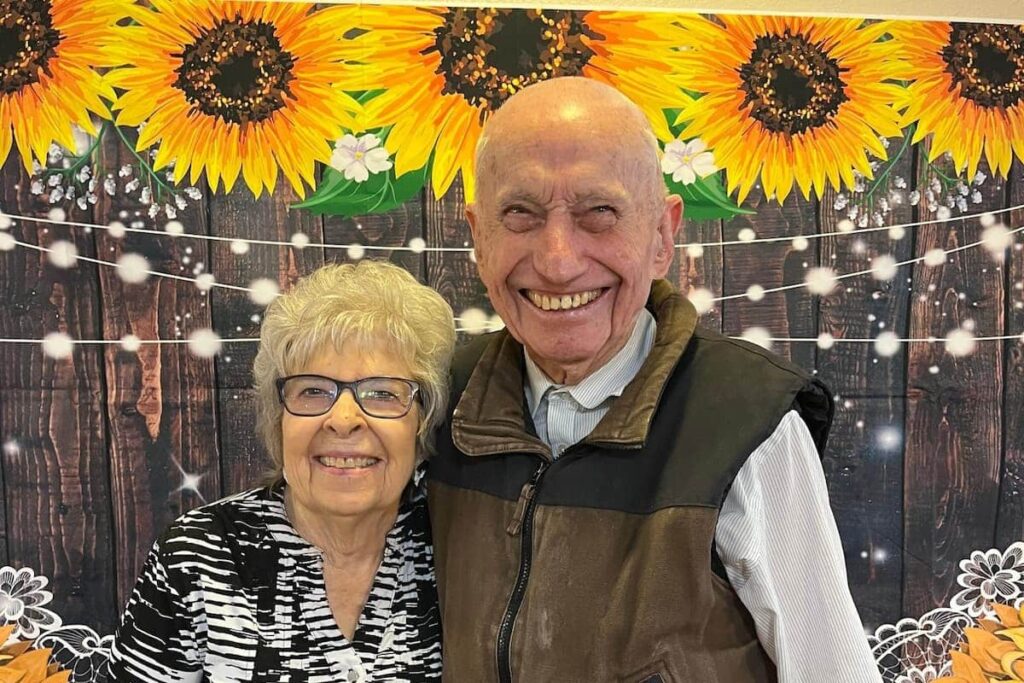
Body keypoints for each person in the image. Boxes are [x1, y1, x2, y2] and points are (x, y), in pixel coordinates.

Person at [427, 77, 882, 681]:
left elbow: (831, 670)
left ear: (662, 236)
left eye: (600, 213)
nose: (559, 260)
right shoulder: (434, 402)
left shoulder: (747, 421)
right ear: (478, 237)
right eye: (521, 214)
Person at [107, 260, 455, 682]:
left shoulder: (459, 549)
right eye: (312, 390)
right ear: (278, 419)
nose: (343, 419)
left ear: (422, 421)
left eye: (382, 392)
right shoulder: (199, 555)